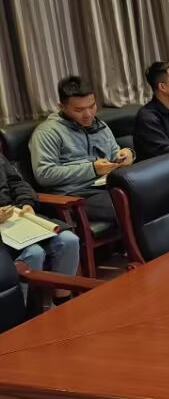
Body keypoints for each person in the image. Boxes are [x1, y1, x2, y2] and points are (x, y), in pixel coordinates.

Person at [30, 76, 134, 223]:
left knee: (149, 195)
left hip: (106, 185)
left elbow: (114, 153)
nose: (88, 114)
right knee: (130, 206)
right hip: (75, 194)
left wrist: (126, 155)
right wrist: (92, 169)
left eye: (92, 106)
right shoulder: (47, 132)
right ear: (62, 107)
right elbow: (44, 174)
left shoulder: (99, 125)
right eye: (79, 110)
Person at [1, 153, 80, 282]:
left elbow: (16, 182)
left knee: (69, 240)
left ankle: (62, 293)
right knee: (34, 253)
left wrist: (26, 202)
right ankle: (25, 296)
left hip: (15, 215)